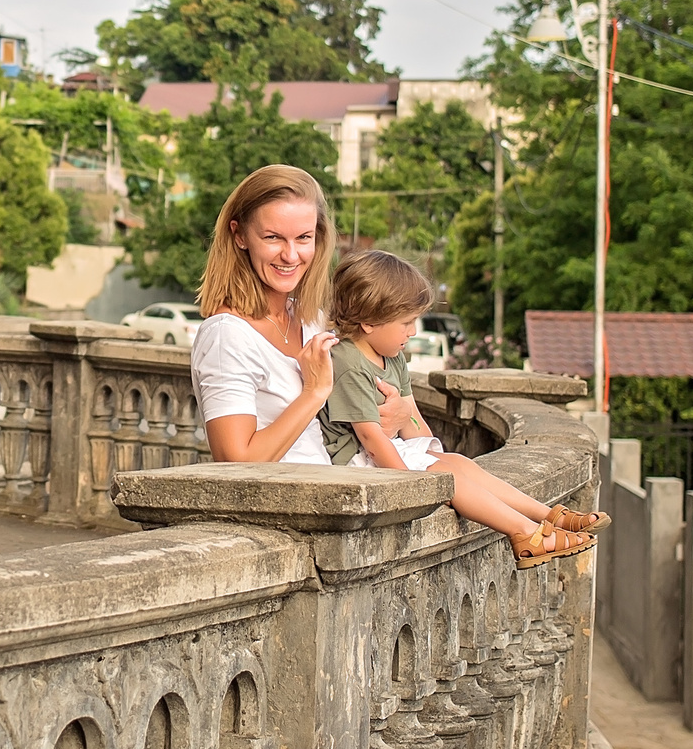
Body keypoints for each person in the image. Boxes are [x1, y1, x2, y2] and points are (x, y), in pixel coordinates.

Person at [320, 248, 602, 569]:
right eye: (406, 322)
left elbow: (414, 424)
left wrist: (427, 449)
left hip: (387, 452)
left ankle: (548, 515)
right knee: (449, 475)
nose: (413, 332)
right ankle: (525, 533)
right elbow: (371, 439)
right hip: (357, 462)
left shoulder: (392, 355)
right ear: (369, 321)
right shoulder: (347, 361)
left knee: (458, 462)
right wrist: (410, 489)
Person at [188, 164, 342, 466]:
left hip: (333, 486)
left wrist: (401, 413)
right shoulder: (226, 335)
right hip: (282, 496)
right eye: (273, 237)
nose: (290, 255)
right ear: (240, 235)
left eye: (303, 238)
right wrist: (313, 392)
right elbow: (236, 461)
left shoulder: (312, 320)